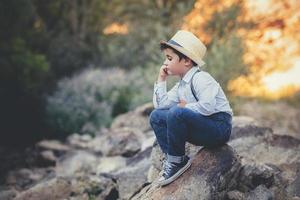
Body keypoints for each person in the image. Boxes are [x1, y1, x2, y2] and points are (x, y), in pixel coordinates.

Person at [149, 30, 233, 186]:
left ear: (186, 61)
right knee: (156, 116)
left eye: (169, 58)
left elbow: (208, 107)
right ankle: (174, 159)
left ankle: (175, 162)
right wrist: (161, 79)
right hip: (202, 128)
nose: (165, 63)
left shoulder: (201, 78)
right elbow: (161, 106)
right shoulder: (181, 85)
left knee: (176, 112)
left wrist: (185, 107)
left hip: (218, 128)